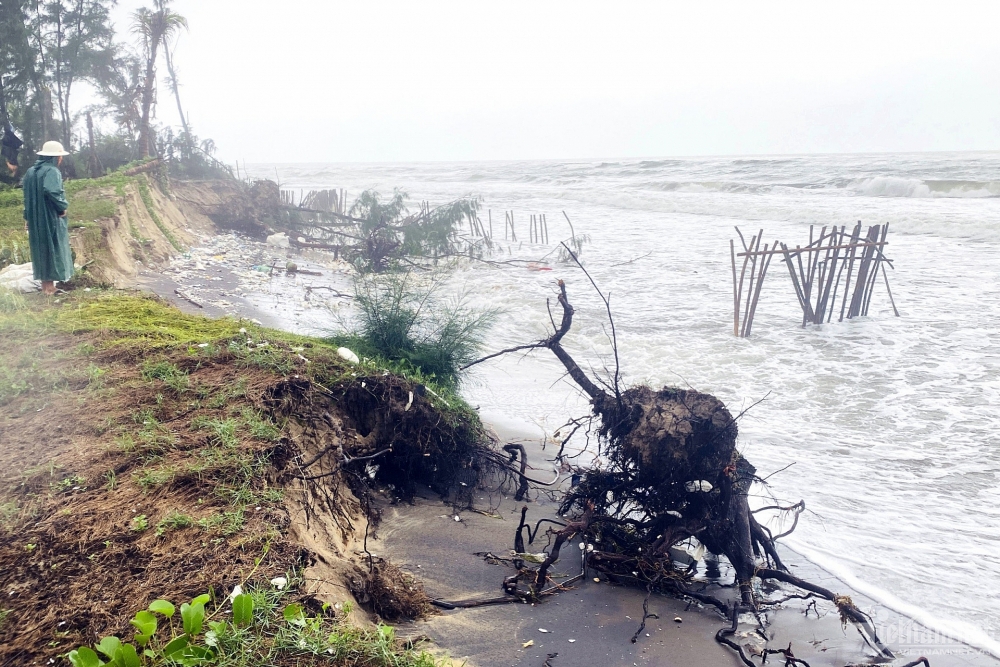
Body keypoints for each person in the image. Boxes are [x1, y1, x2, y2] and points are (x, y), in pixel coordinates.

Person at [23, 141, 72, 295]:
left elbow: (27, 196)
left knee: (41, 249)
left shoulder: (31, 172)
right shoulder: (51, 171)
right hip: (49, 216)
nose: (60, 159)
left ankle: (46, 286)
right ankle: (50, 288)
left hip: (35, 217)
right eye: (59, 156)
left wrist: (27, 217)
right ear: (55, 157)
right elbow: (52, 191)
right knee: (53, 246)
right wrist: (62, 207)